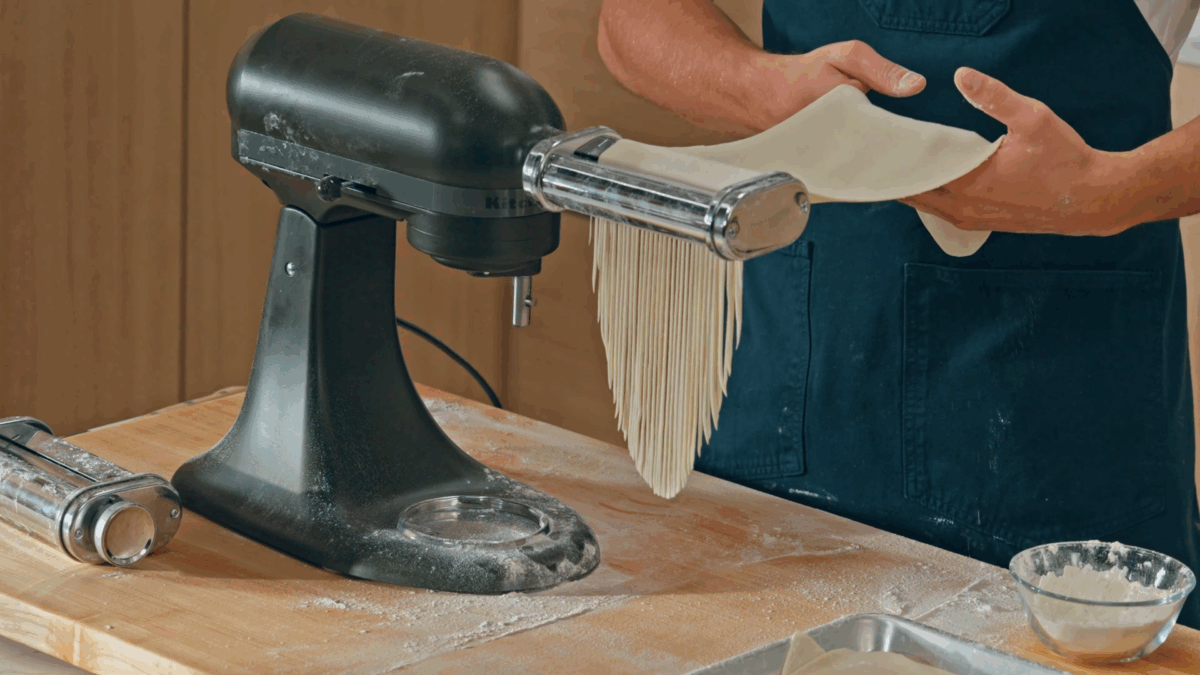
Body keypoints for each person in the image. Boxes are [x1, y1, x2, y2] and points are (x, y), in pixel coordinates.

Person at [597, 0, 1200, 627]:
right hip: (787, 375)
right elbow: (631, 20)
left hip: (1054, 421)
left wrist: (1109, 191)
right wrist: (761, 89)